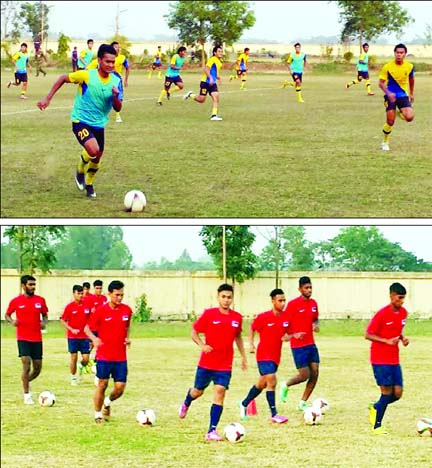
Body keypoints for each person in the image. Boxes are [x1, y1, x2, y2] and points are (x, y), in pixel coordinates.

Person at [37, 43, 123, 199]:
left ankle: (89, 184)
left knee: (97, 158)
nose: (111, 65)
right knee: (93, 150)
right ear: (99, 60)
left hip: (99, 124)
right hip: (80, 120)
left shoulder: (116, 81)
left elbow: (118, 108)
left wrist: (116, 96)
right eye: (107, 61)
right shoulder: (87, 75)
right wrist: (47, 98)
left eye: (113, 62)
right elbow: (63, 78)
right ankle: (80, 168)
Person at [178, 283, 247, 441]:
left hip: (224, 365)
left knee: (220, 392)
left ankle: (211, 431)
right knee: (197, 391)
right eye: (223, 297)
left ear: (232, 299)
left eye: (229, 297)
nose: (226, 300)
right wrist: (202, 345)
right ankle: (187, 402)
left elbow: (238, 337)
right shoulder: (209, 315)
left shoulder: (237, 318)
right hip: (207, 364)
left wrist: (243, 356)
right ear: (218, 298)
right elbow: (194, 332)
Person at [84, 280, 132, 424]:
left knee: (120, 388)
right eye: (117, 295)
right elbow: (87, 329)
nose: (119, 298)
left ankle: (108, 401)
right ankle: (97, 414)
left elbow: (127, 326)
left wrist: (127, 337)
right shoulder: (100, 311)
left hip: (120, 357)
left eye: (122, 295)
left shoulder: (127, 310)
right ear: (109, 294)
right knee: (102, 384)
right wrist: (94, 338)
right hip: (104, 355)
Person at [239, 288, 289, 424]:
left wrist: (289, 337)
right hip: (263, 355)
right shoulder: (263, 317)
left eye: (284, 300)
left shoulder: (286, 317)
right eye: (280, 300)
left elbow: (288, 334)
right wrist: (251, 344)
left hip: (275, 357)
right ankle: (274, 414)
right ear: (273, 301)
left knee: (262, 384)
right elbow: (252, 328)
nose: (283, 303)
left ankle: (244, 403)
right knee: (272, 380)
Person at [365, 282, 410, 435]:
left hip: (394, 359)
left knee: (397, 394)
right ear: (391, 296)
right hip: (380, 359)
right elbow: (368, 334)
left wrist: (403, 338)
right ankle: (377, 426)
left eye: (403, 298)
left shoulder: (404, 313)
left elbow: (397, 330)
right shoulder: (382, 314)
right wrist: (386, 341)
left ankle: (376, 407)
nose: (401, 301)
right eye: (399, 298)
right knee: (386, 392)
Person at [4, 275, 48, 405]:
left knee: (37, 368)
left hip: (36, 339)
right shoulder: (16, 301)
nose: (33, 287)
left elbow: (45, 315)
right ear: (23, 286)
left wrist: (44, 322)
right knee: (26, 363)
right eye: (30, 284)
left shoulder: (40, 300)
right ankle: (27, 394)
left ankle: (25, 382)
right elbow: (7, 314)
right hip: (23, 338)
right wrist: (12, 321)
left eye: (34, 284)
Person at [279, 276, 320, 411]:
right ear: (300, 289)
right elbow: (284, 327)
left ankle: (303, 402)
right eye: (306, 288)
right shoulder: (293, 305)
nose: (309, 290)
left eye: (310, 287)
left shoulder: (313, 303)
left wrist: (315, 325)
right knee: (304, 375)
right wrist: (292, 335)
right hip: (298, 346)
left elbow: (315, 319)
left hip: (311, 344)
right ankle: (285, 385)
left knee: (315, 373)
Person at [378, 43, 415, 152]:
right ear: (394, 53)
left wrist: (412, 93)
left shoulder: (410, 66)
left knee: (409, 117)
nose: (399, 54)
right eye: (397, 52)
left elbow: (411, 80)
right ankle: (385, 142)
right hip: (390, 96)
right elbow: (380, 83)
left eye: (401, 53)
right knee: (390, 122)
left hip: (403, 95)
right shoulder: (387, 66)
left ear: (405, 54)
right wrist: (388, 93)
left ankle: (398, 112)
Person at [60, 284, 92, 385]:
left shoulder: (87, 306)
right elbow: (63, 320)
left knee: (86, 359)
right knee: (74, 357)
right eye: (78, 293)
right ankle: (73, 377)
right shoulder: (69, 307)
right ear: (74, 294)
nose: (81, 295)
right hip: (73, 337)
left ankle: (81, 366)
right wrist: (71, 329)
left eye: (82, 293)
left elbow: (91, 319)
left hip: (84, 337)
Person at [183, 45, 224, 121]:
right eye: (219, 51)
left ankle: (214, 115)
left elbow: (215, 71)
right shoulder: (212, 59)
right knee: (201, 100)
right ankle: (190, 95)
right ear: (215, 53)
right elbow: (206, 69)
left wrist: (218, 77)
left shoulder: (220, 62)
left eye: (221, 51)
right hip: (205, 82)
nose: (221, 53)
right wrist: (211, 78)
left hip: (212, 83)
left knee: (216, 97)